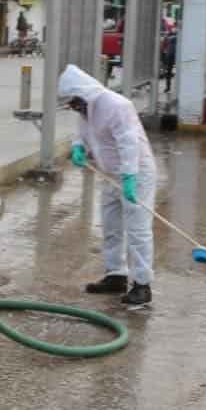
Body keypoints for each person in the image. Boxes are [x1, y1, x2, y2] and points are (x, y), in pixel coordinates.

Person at [58, 64, 157, 307]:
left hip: (136, 172)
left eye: (73, 102)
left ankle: (142, 285)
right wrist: (78, 147)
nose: (73, 108)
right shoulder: (86, 111)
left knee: (137, 228)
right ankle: (116, 275)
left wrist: (130, 176)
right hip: (109, 173)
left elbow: (128, 143)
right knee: (111, 226)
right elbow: (82, 133)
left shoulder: (116, 105)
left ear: (83, 93)